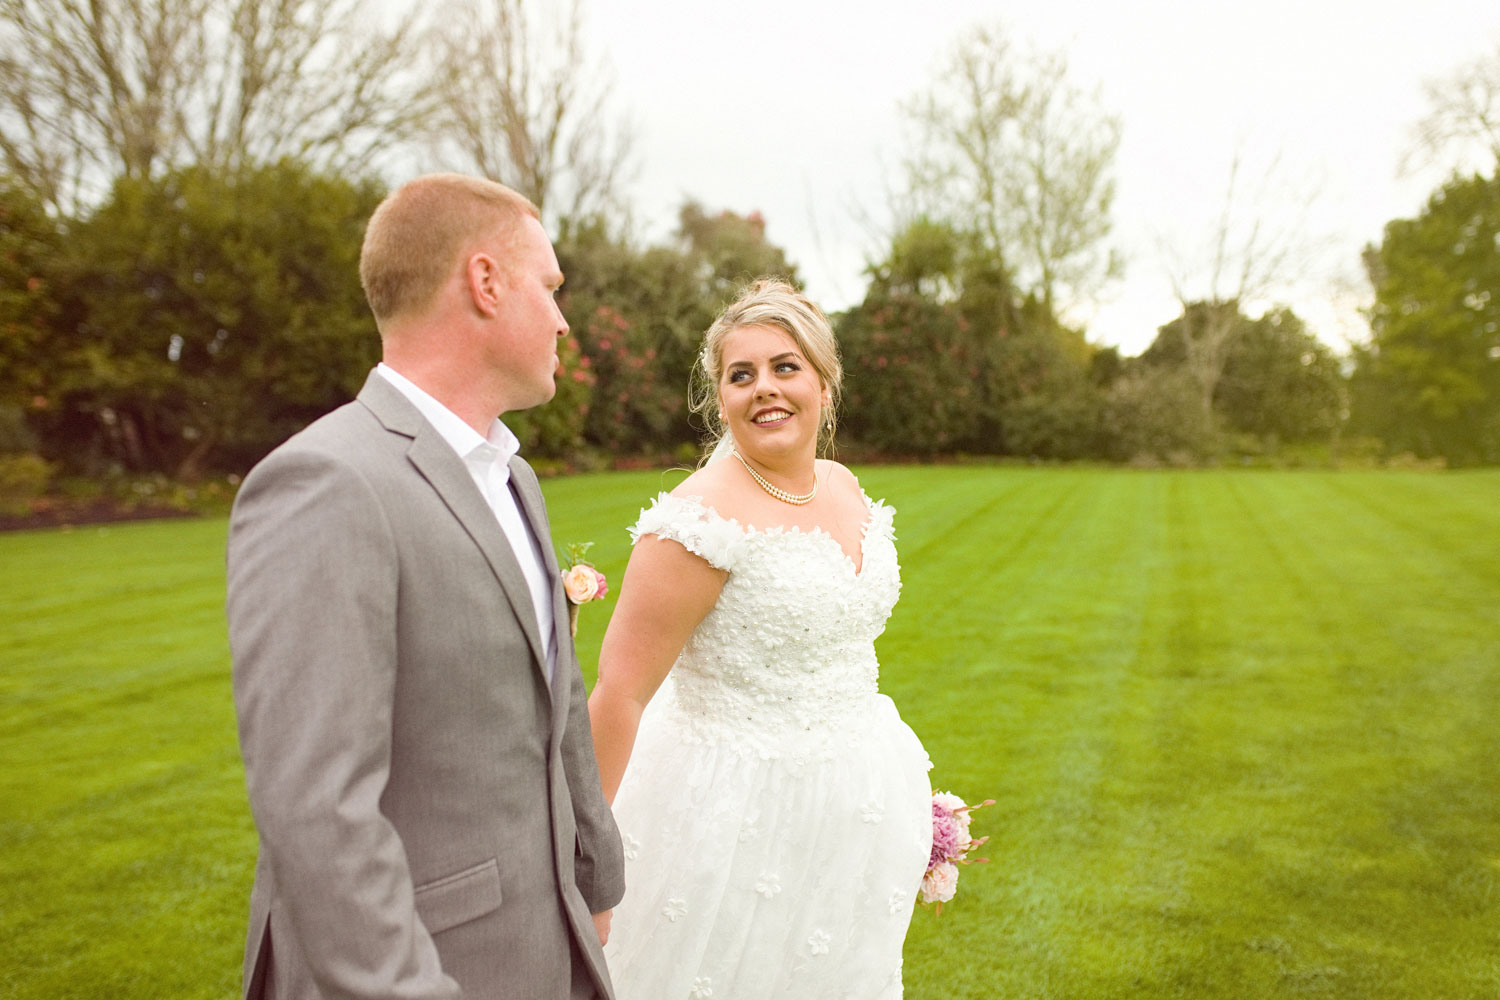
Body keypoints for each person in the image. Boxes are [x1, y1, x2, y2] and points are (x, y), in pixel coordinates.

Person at [226, 173, 624, 1000]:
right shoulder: (326, 482)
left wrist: (596, 883)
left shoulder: (513, 476)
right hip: (419, 968)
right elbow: (316, 807)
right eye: (549, 288)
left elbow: (557, 697)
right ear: (485, 282)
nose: (561, 319)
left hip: (547, 948)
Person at [586, 279, 933, 998]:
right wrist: (583, 867)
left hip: (852, 815)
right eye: (740, 376)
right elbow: (618, 695)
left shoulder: (842, 487)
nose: (764, 389)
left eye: (784, 367)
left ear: (824, 386)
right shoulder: (697, 524)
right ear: (720, 399)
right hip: (727, 821)